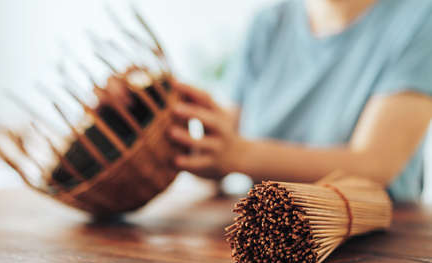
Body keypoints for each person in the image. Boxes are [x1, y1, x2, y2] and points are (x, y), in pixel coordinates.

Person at [167, 0, 432, 202]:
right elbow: (223, 149)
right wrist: (197, 141)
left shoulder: (419, 18)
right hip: (264, 237)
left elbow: (374, 166)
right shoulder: (268, 23)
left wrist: (238, 154)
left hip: (381, 245)